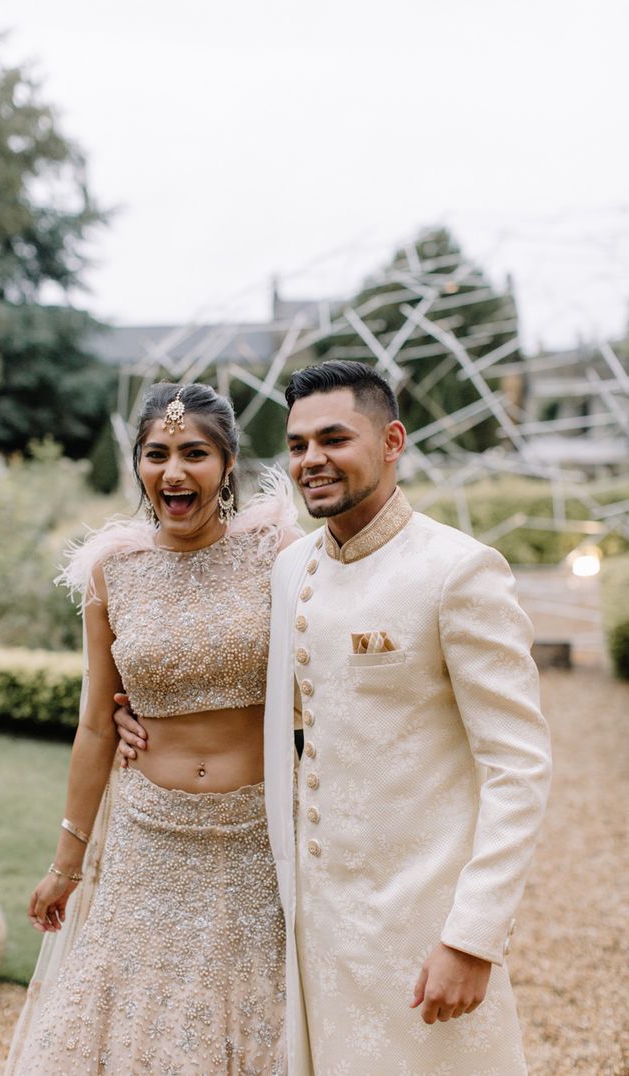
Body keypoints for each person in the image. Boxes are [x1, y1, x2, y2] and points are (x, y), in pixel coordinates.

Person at [263, 360, 553, 1074]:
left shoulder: (459, 570)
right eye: (298, 444)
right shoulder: (290, 567)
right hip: (316, 929)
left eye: (334, 438)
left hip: (424, 928)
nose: (311, 460)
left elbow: (518, 768)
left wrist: (473, 938)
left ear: (392, 441)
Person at [5, 382, 299, 1076]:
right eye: (156, 454)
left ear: (228, 464)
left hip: (255, 841)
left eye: (194, 453)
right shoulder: (114, 572)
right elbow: (95, 726)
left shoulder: (277, 553)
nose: (174, 472)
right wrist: (64, 867)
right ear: (137, 463)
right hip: (146, 841)